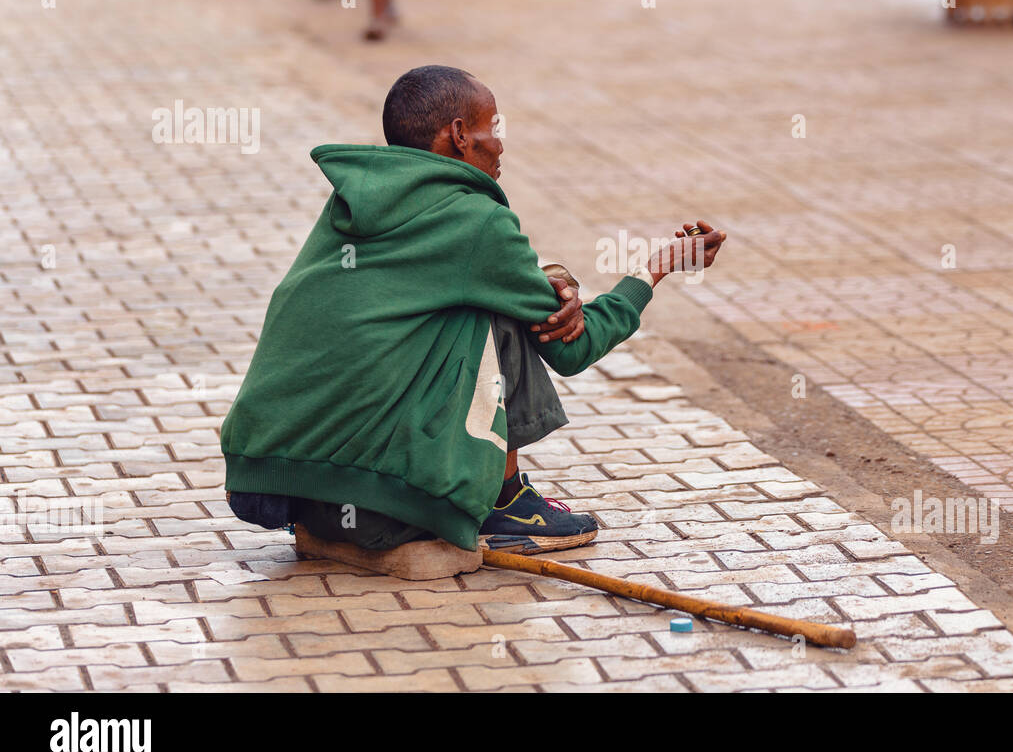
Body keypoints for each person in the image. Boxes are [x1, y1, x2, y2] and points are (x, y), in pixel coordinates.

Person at [222, 66, 726, 556]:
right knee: (492, 316)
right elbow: (576, 348)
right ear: (460, 135)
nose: (501, 143)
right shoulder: (476, 219)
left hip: (278, 488)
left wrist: (546, 279)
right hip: (378, 506)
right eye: (493, 127)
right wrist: (656, 269)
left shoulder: (356, 201)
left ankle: (378, 516)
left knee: (477, 302)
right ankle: (509, 504)